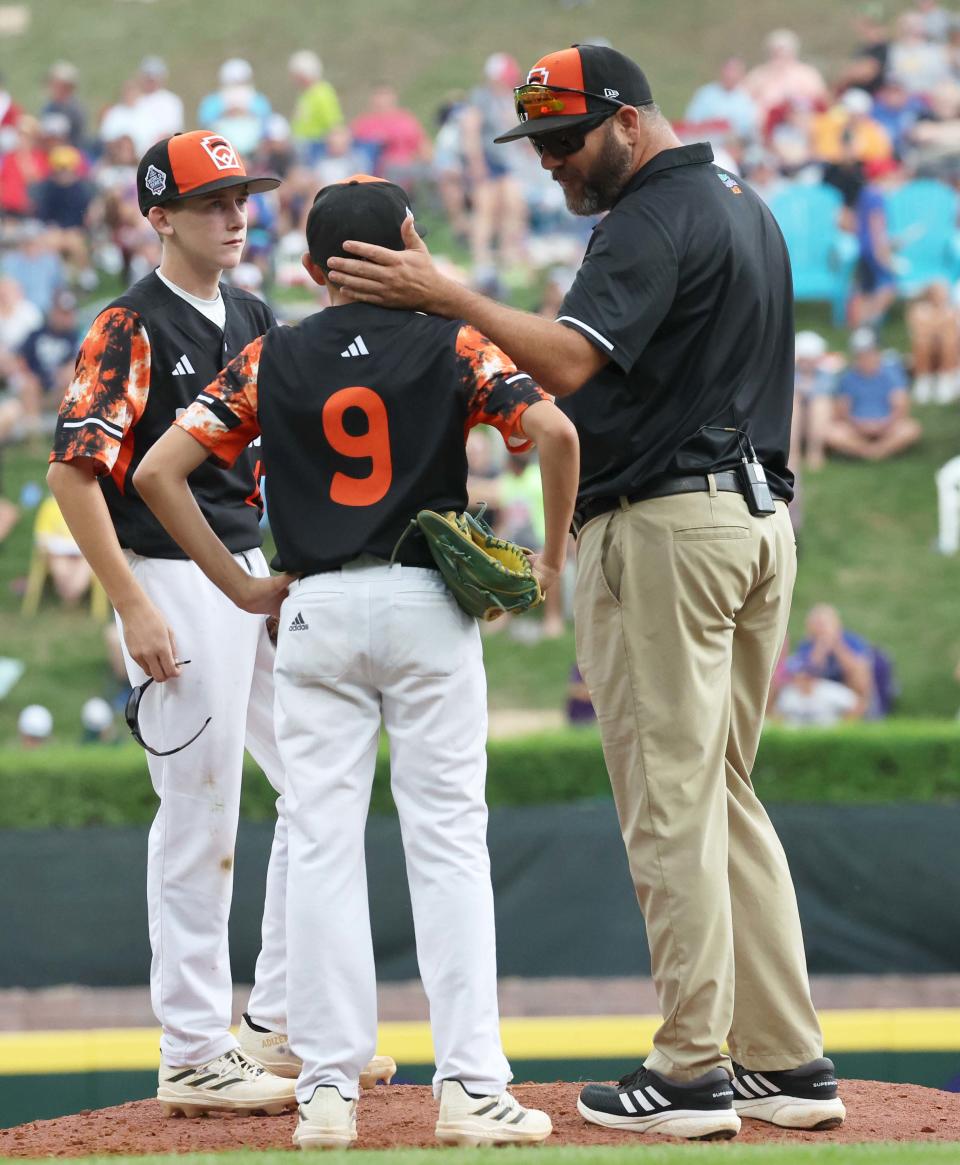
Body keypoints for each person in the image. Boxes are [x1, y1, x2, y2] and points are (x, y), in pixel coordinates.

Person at [325, 43, 846, 1140]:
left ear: (629, 121)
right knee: (721, 794)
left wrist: (444, 294)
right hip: (752, 521)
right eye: (539, 144)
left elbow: (563, 365)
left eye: (566, 139)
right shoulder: (738, 201)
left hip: (669, 525)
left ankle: (695, 1069)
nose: (553, 165)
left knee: (669, 805)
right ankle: (787, 1060)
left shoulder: (653, 213)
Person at [133, 174, 573, 1149]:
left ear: (307, 268)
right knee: (450, 842)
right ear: (410, 241)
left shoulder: (269, 352)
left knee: (323, 842)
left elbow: (160, 468)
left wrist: (241, 588)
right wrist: (550, 558)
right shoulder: (452, 340)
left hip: (316, 606)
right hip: (426, 602)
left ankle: (326, 1090)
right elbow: (557, 429)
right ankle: (471, 1085)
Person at [46, 130, 392, 1115]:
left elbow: (268, 464)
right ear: (159, 216)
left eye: (242, 197)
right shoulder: (128, 324)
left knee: (317, 780)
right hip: (165, 570)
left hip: (247, 570)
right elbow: (72, 474)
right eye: (212, 202)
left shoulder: (251, 311)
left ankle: (274, 1018)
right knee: (200, 814)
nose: (237, 215)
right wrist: (130, 601)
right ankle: (193, 1044)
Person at [825, 327, 921, 461]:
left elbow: (901, 407)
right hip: (856, 428)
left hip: (887, 426)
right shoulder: (847, 378)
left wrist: (884, 424)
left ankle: (873, 451)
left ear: (877, 352)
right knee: (832, 433)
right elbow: (842, 411)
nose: (865, 358)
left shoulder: (892, 374)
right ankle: (871, 451)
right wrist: (859, 424)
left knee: (910, 429)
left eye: (868, 353)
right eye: (861, 355)